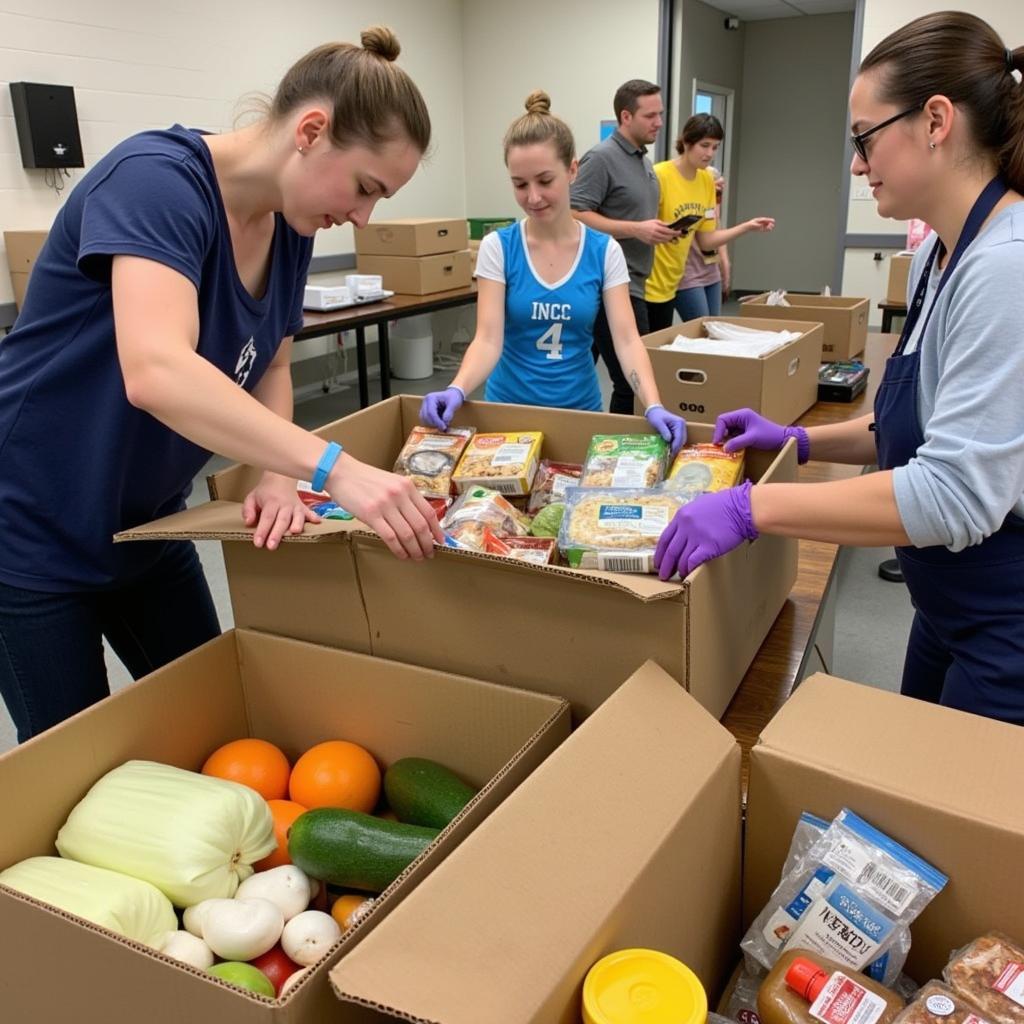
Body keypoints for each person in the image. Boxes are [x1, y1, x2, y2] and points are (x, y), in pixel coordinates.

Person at [0, 27, 445, 744]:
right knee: (71, 765)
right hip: (31, 530)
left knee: (215, 724)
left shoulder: (289, 225)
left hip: (145, 519)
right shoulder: (156, 182)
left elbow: (269, 363)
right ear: (310, 130)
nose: (363, 217)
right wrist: (333, 467)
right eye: (365, 188)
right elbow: (158, 372)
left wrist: (272, 471)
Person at [653, 11, 1024, 725]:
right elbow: (907, 428)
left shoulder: (1005, 270)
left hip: (1004, 617)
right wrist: (798, 441)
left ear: (936, 121)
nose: (857, 164)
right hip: (942, 604)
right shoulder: (938, 259)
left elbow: (954, 494)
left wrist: (750, 507)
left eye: (864, 139)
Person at [420, 91, 685, 454]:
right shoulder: (500, 247)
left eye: (545, 181)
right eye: (519, 184)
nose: (533, 197)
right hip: (507, 416)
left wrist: (653, 403)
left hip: (576, 415)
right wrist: (457, 388)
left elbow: (626, 340)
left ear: (572, 170)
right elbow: (487, 339)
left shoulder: (603, 250)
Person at [570, 79, 676, 414]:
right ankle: (622, 456)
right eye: (650, 115)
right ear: (626, 117)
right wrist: (636, 230)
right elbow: (574, 212)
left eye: (660, 114)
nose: (659, 122)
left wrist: (658, 231)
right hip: (610, 284)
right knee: (633, 379)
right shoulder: (601, 158)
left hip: (638, 281)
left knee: (588, 372)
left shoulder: (643, 161)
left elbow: (634, 218)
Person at [645, 115, 774, 331]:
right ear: (687, 142)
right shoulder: (659, 175)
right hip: (652, 281)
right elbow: (641, 225)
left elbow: (706, 241)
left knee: (710, 333)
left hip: (675, 277)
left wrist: (747, 227)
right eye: (704, 146)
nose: (709, 154)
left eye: (715, 147)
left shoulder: (706, 179)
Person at [677, 167, 728, 319]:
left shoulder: (711, 201)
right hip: (688, 272)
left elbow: (715, 228)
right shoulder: (684, 196)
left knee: (714, 327)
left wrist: (725, 262)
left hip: (711, 268)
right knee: (701, 329)